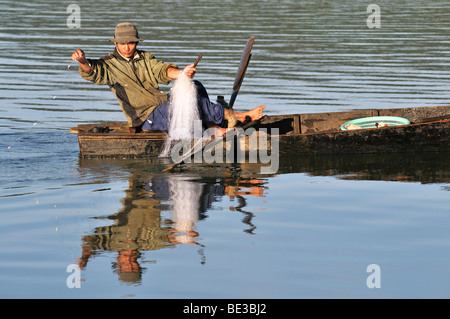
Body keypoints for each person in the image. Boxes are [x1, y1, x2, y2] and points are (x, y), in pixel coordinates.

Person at [71, 22, 265, 135]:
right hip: (145, 117)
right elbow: (93, 71)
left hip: (162, 104)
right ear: (116, 43)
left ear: (135, 43)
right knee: (190, 105)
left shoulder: (144, 58)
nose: (127, 47)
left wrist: (182, 74)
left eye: (130, 43)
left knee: (194, 86)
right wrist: (82, 61)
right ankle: (237, 116)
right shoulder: (109, 64)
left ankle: (213, 127)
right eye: (122, 43)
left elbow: (163, 71)